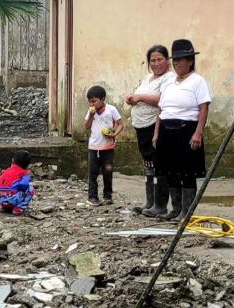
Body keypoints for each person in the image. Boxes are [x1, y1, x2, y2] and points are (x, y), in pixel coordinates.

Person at [154, 39, 211, 221]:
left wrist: (198, 133)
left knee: (187, 173)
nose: (177, 63)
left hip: (186, 130)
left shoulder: (197, 81)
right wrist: (156, 133)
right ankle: (176, 209)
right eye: (175, 60)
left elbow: (204, 108)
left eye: (181, 59)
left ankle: (187, 212)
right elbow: (161, 109)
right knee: (169, 171)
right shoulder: (169, 82)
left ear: (190, 61)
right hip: (166, 130)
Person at [125, 45, 175, 217]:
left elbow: (164, 99)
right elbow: (141, 95)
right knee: (148, 164)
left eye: (160, 59)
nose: (156, 63)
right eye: (152, 60)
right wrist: (133, 99)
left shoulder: (169, 78)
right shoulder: (148, 78)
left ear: (167, 60)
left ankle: (160, 205)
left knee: (158, 164)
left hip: (156, 125)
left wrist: (140, 97)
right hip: (142, 127)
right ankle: (150, 202)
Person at [85, 85, 125, 206]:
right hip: (93, 146)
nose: (92, 104)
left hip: (108, 147)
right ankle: (92, 197)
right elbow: (87, 126)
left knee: (108, 172)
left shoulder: (111, 110)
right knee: (93, 172)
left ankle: (107, 196)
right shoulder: (91, 111)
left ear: (102, 99)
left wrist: (114, 135)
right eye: (90, 101)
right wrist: (91, 116)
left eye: (94, 101)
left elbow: (120, 124)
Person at [0, 150, 35, 215]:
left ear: (13, 161)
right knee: (30, 187)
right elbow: (24, 185)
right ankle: (19, 208)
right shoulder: (24, 173)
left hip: (0, 198)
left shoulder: (6, 170)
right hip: (12, 198)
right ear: (28, 164)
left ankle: (5, 207)